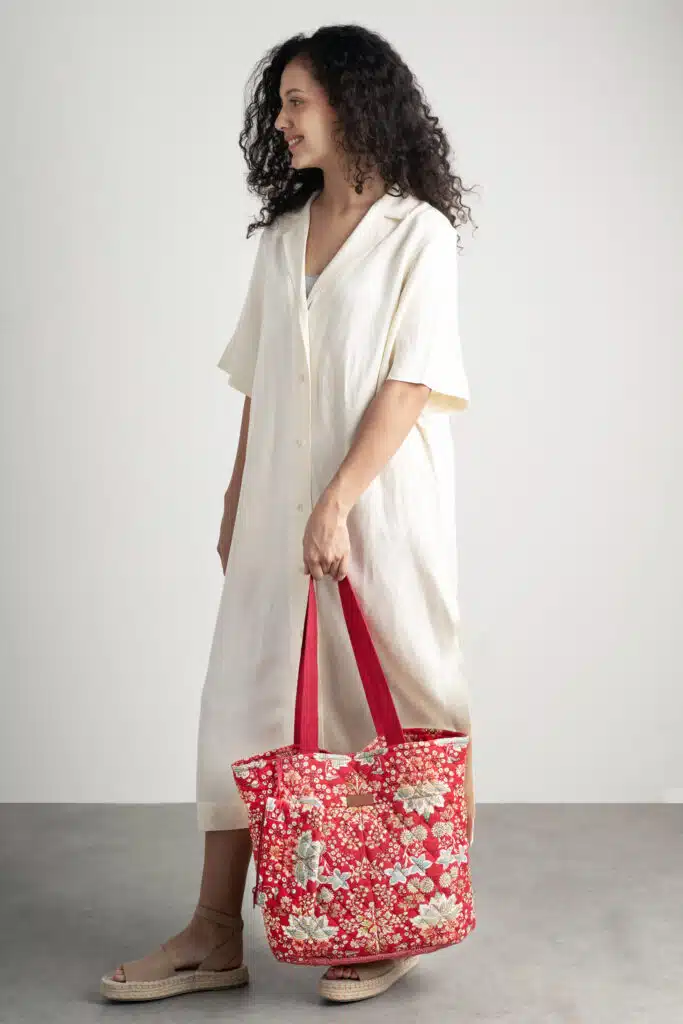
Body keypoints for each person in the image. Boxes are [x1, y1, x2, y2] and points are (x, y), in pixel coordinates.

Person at [101, 22, 478, 1006]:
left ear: (351, 103)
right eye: (279, 104)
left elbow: (409, 380)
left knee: (398, 705)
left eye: (295, 101)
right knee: (243, 702)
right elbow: (261, 382)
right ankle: (213, 933)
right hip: (279, 513)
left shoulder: (418, 234)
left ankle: (392, 921)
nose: (280, 120)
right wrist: (238, 496)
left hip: (380, 515)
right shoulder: (279, 240)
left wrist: (338, 500)